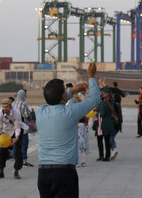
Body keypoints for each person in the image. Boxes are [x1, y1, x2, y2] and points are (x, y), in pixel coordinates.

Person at [36, 62, 100, 198]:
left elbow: (54, 100)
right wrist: (91, 76)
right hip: (64, 173)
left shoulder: (40, 112)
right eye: (65, 91)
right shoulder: (69, 112)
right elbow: (94, 99)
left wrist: (74, 90)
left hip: (43, 173)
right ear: (64, 96)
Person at [0, 98, 27, 179]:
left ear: (10, 107)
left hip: (17, 130)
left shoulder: (16, 112)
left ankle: (16, 171)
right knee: (2, 151)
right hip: (6, 130)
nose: (5, 108)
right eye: (3, 107)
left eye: (7, 107)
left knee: (17, 151)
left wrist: (16, 138)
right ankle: (1, 171)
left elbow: (17, 127)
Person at [12, 89, 34, 167]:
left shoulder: (13, 103)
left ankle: (15, 158)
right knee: (24, 144)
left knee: (15, 143)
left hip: (15, 127)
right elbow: (26, 115)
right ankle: (24, 160)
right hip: (23, 127)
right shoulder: (23, 103)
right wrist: (31, 118)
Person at [95, 89, 116, 161]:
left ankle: (101, 155)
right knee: (107, 141)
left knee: (100, 141)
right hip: (109, 124)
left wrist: (96, 113)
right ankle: (107, 156)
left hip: (102, 125)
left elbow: (102, 113)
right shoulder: (111, 102)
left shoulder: (103, 104)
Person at [110, 81, 125, 156]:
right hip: (118, 124)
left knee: (110, 138)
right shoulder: (118, 107)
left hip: (115, 124)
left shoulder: (113, 106)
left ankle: (114, 149)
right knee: (111, 138)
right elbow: (123, 95)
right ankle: (112, 150)